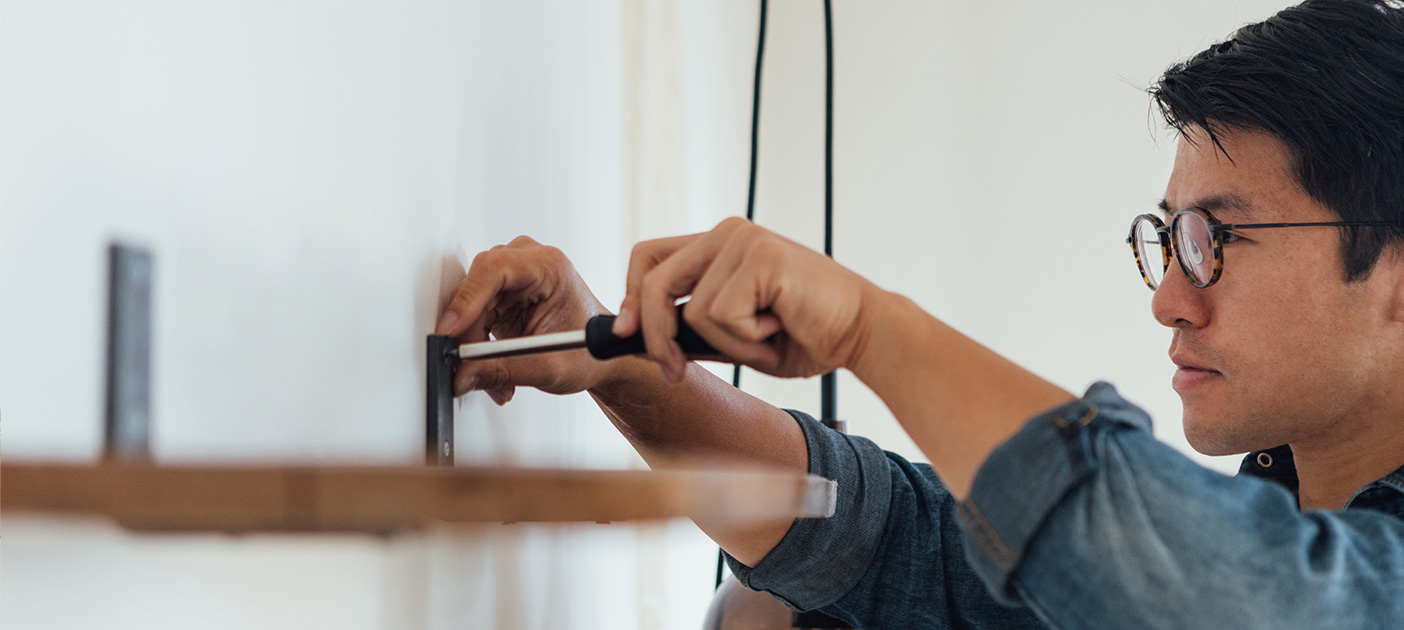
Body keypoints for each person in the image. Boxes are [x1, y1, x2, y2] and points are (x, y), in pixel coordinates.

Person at [435, 0, 1404, 626]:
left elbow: (1252, 597)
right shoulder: (1270, 518)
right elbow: (904, 550)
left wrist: (872, 329)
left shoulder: (1300, 580)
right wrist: (628, 370)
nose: (1168, 298)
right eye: (1170, 238)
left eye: (1215, 242)